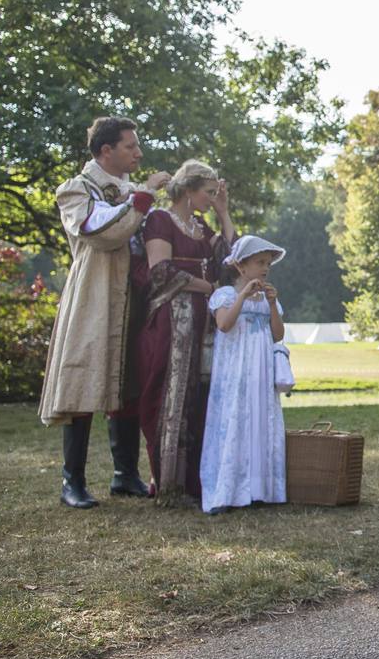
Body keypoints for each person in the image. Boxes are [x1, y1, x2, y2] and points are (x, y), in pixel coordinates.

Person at [40, 117, 170, 508]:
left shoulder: (132, 191)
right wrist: (143, 197)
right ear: (106, 150)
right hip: (94, 297)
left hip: (133, 297)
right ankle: (72, 482)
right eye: (131, 146)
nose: (139, 153)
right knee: (82, 378)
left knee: (128, 379)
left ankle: (124, 474)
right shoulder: (76, 190)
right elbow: (101, 232)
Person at [136, 159, 236, 501]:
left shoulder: (201, 227)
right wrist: (207, 288)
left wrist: (223, 214)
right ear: (189, 190)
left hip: (201, 320)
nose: (211, 198)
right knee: (167, 392)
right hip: (172, 320)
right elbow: (161, 272)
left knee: (198, 395)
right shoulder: (160, 220)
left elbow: (229, 262)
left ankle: (195, 480)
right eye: (208, 193)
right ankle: (167, 480)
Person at [200, 236, 289, 514]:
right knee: (235, 420)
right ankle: (227, 490)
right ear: (241, 266)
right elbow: (225, 324)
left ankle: (258, 489)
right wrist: (242, 296)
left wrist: (273, 305)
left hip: (260, 374)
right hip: (234, 374)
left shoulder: (268, 299)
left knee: (260, 420)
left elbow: (278, 334)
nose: (265, 268)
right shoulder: (225, 296)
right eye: (260, 263)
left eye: (268, 264)